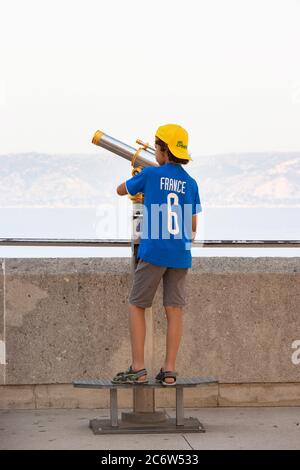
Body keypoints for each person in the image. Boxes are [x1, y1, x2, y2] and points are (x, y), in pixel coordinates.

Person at [112, 124, 202, 386]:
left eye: (156, 147)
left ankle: (138, 368)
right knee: (174, 310)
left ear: (162, 150)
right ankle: (169, 370)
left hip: (154, 252)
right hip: (180, 255)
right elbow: (193, 227)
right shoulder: (191, 183)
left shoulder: (150, 175)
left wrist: (139, 175)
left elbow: (120, 190)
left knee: (137, 304)